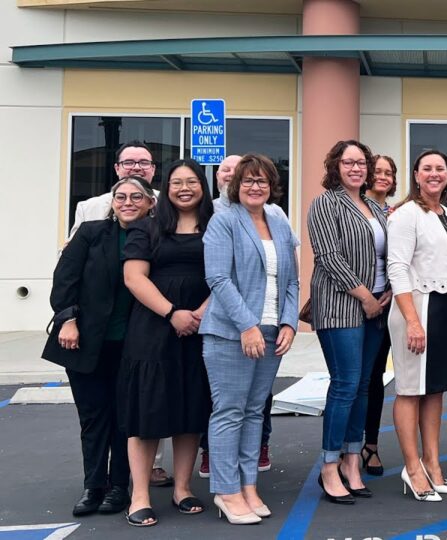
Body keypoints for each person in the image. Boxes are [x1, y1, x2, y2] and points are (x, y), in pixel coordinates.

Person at [42, 177, 155, 517]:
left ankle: (119, 486)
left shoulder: (156, 237)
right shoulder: (91, 233)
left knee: (124, 417)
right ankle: (93, 486)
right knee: (93, 417)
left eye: (136, 197)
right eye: (121, 197)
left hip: (133, 346)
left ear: (150, 203)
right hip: (85, 341)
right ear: (112, 202)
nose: (128, 202)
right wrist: (68, 320)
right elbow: (65, 279)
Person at [201, 154, 299, 524]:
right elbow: (218, 278)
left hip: (272, 333)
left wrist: (289, 322)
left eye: (262, 181)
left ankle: (248, 485)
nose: (255, 187)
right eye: (248, 180)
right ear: (235, 185)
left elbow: (292, 279)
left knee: (255, 410)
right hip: (231, 333)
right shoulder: (224, 221)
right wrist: (247, 325)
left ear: (272, 185)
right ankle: (227, 491)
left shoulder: (278, 220)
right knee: (230, 411)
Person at [118, 159, 215, 526]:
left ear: (203, 187)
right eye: (177, 182)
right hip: (153, 329)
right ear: (166, 188)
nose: (184, 188)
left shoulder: (216, 226)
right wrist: (173, 312)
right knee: (147, 410)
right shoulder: (147, 227)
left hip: (202, 326)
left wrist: (200, 313)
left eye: (192, 181)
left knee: (190, 408)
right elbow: (134, 278)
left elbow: (228, 273)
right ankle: (140, 495)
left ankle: (183, 488)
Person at [307, 140, 390, 504]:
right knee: (345, 384)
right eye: (348, 162)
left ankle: (352, 462)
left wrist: (388, 291)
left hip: (377, 307)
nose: (356, 168)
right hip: (342, 306)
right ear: (335, 167)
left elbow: (387, 255)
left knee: (363, 386)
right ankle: (329, 466)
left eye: (361, 163)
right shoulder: (325, 203)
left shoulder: (375, 207)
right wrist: (366, 297)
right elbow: (329, 257)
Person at [387, 150, 447, 502]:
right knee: (410, 389)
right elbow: (397, 268)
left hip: (446, 309)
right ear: (416, 175)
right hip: (418, 307)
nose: (434, 174)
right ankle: (412, 468)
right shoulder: (406, 215)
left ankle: (433, 463)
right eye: (427, 169)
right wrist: (412, 321)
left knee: (434, 389)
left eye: (440, 168)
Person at [362, 154, 399, 477]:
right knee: (351, 378)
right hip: (355, 301)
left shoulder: (396, 213)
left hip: (387, 302)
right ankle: (344, 448)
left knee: (374, 376)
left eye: (389, 172)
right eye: (378, 171)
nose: (384, 177)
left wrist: (390, 290)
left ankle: (370, 445)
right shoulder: (356, 208)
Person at [69, 141, 158, 239]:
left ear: (153, 169)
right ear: (117, 168)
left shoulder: (168, 202)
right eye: (128, 163)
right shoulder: (88, 209)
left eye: (144, 163)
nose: (137, 168)